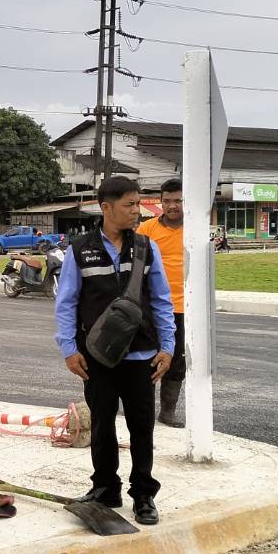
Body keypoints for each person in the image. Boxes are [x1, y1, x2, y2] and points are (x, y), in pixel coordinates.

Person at [55, 175, 175, 525]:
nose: (137, 211)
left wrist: (168, 347)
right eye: (129, 205)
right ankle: (105, 487)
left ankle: (143, 494)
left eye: (138, 204)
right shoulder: (80, 249)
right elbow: (66, 303)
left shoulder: (146, 248)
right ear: (106, 208)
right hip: (96, 358)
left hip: (142, 356)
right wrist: (69, 349)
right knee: (102, 426)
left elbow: (162, 300)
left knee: (142, 428)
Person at [138, 177, 188, 427]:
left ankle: (168, 411)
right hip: (152, 306)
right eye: (167, 201)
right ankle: (141, 409)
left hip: (184, 307)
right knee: (146, 358)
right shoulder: (146, 229)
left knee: (177, 361)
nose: (172, 205)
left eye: (178, 200)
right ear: (160, 202)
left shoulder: (195, 228)